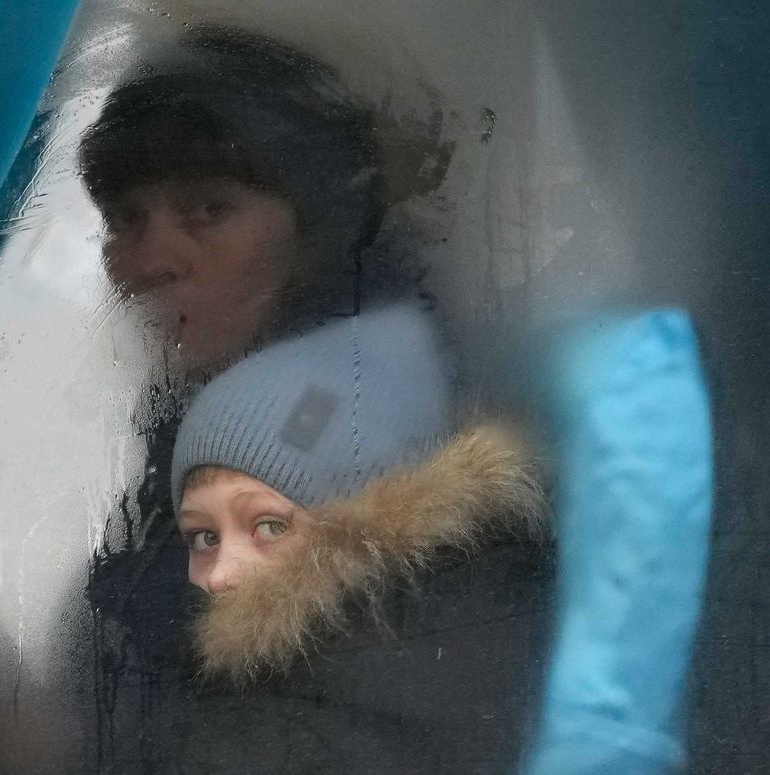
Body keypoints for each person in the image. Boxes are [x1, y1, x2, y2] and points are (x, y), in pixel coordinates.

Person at [167, 302, 550, 772]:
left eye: (270, 526)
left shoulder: (318, 724)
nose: (219, 575)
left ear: (367, 533)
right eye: (203, 537)